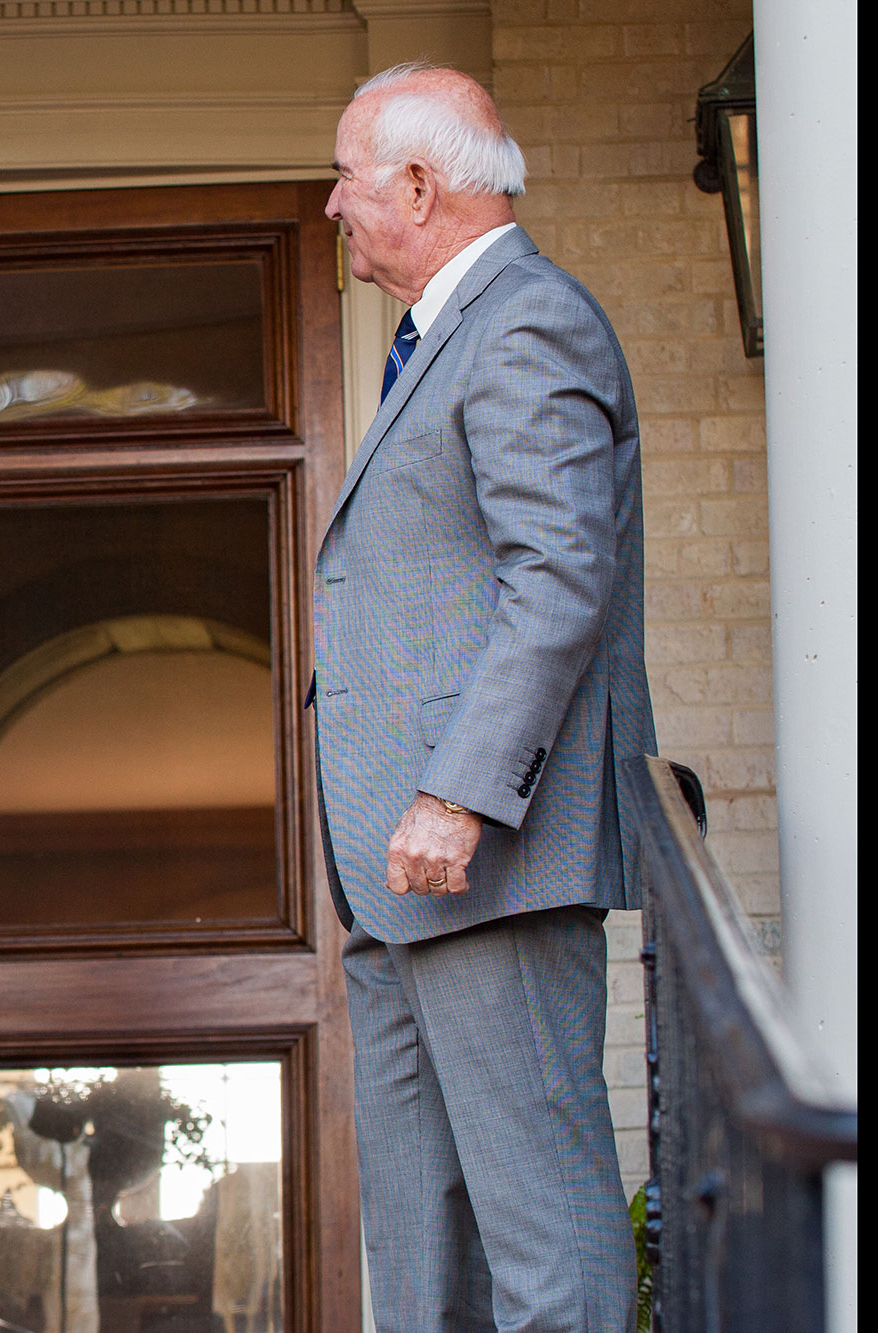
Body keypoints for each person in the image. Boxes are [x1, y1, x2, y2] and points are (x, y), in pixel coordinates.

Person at [315, 64, 654, 1331]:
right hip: (394, 882)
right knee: (417, 1246)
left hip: (483, 862)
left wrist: (457, 793)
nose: (333, 203)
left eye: (346, 175)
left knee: (536, 1229)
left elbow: (559, 573)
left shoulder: (524, 321)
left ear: (415, 183)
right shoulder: (442, 338)